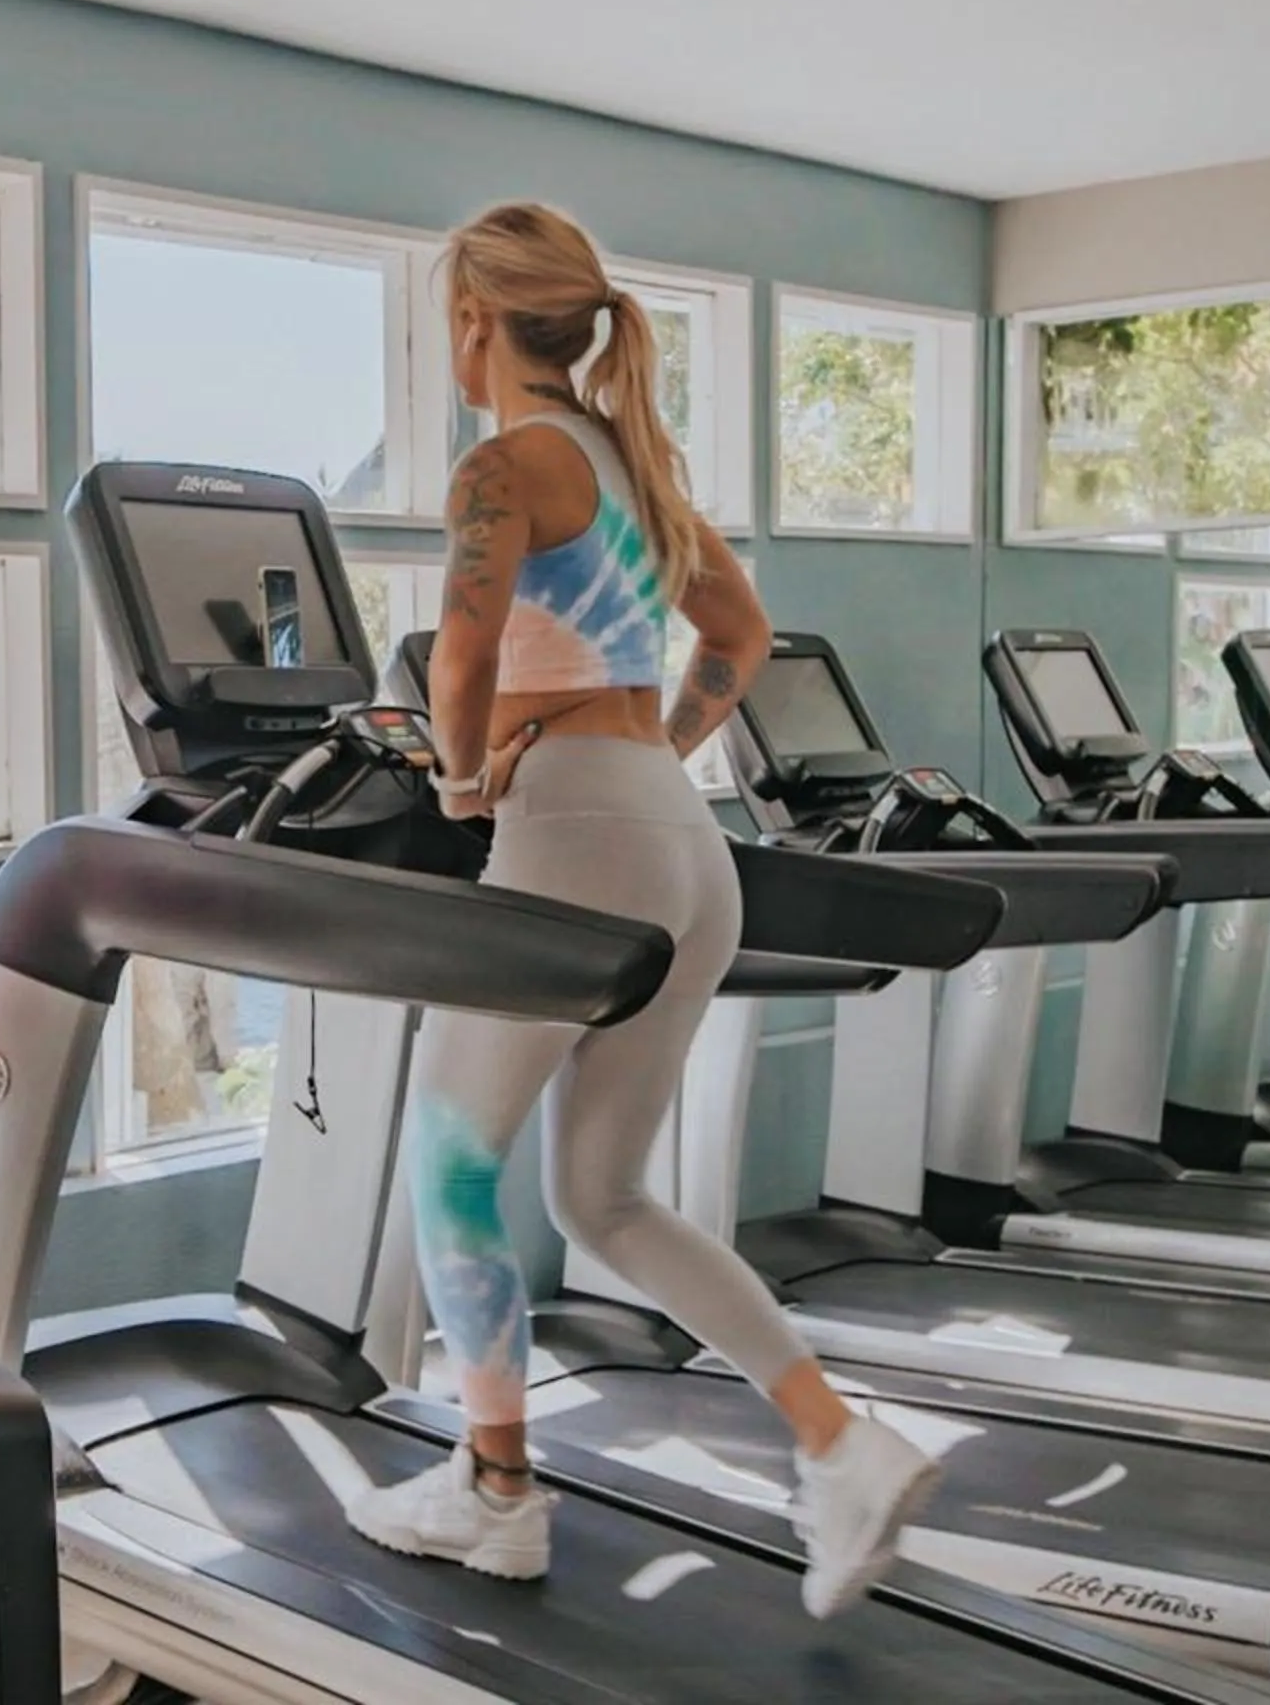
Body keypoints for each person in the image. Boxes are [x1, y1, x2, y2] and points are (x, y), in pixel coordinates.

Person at [343, 202, 937, 1617]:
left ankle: (496, 1492)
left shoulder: (503, 465)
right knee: (602, 1198)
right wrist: (654, 758)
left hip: (577, 834)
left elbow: (461, 657)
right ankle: (842, 1447)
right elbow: (739, 636)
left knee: (452, 1166)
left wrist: (467, 781)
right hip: (682, 841)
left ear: (475, 321)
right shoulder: (631, 462)